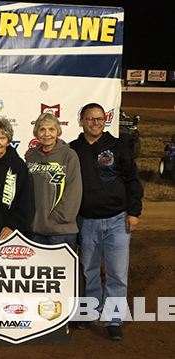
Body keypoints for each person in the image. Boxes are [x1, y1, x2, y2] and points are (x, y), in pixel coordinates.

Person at [70, 103, 143, 341]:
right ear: (81, 120)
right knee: (88, 270)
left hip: (117, 220)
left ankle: (113, 319)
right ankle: (91, 312)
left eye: (99, 118)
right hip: (87, 221)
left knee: (117, 273)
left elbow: (132, 180)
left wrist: (134, 212)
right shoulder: (73, 149)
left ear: (105, 121)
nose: (95, 122)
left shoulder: (118, 146)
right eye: (90, 118)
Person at [26, 112, 82, 248]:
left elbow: (74, 190)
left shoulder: (69, 155)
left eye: (51, 129)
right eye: (42, 129)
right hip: (35, 230)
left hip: (61, 230)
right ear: (36, 133)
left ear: (58, 131)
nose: (47, 134)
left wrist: (60, 217)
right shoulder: (32, 157)